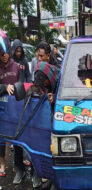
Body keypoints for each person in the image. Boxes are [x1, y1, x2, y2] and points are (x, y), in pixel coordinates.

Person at [0, 31, 26, 184]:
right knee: (1, 139)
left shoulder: (17, 66)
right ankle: (2, 164)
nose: (4, 55)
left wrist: (15, 87)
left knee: (17, 139)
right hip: (1, 109)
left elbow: (22, 85)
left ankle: (19, 167)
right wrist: (5, 87)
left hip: (15, 108)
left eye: (5, 53)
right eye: (1, 53)